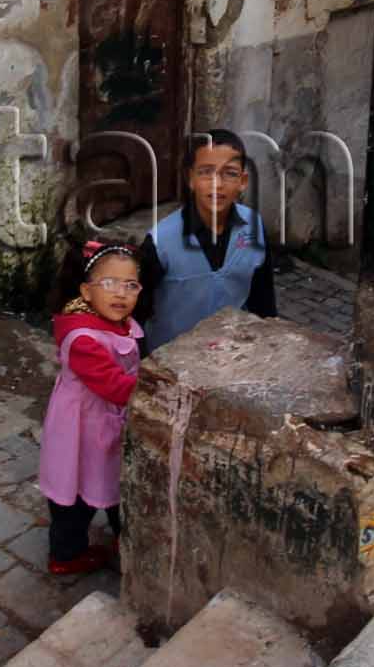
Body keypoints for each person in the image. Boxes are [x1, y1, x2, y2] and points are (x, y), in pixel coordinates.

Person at [40, 239, 143, 577]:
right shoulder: (83, 338)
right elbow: (115, 386)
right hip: (82, 427)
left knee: (117, 481)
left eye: (130, 285)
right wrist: (155, 391)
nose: (121, 294)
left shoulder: (116, 321)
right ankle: (66, 554)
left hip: (106, 420)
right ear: (86, 291)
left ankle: (127, 537)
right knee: (74, 492)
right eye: (109, 283)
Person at [133, 129, 275, 353]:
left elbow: (263, 296)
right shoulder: (161, 241)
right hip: (170, 357)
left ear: (243, 181)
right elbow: (137, 311)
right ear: (191, 179)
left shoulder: (253, 227)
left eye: (229, 173)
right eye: (206, 172)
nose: (217, 184)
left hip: (231, 352)